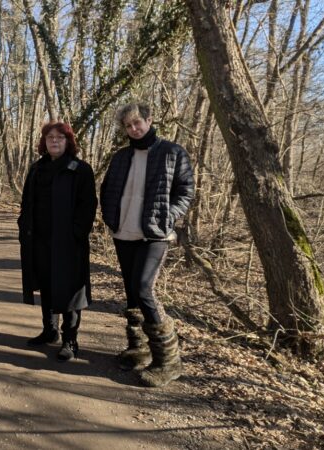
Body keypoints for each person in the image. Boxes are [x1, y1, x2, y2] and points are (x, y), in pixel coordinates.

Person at [100, 102, 195, 387]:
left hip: (155, 234)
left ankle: (169, 361)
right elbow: (107, 189)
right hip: (123, 231)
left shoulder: (172, 152)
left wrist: (169, 216)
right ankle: (138, 350)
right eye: (128, 126)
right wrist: (110, 217)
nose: (133, 129)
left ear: (149, 120)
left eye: (137, 123)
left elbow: (185, 191)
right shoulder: (121, 157)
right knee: (131, 291)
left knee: (144, 288)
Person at [18, 122, 97, 361]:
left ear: (68, 141)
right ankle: (49, 330)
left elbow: (88, 206)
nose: (54, 141)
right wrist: (24, 226)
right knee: (46, 285)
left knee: (71, 290)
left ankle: (70, 340)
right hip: (39, 240)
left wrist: (76, 233)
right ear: (44, 142)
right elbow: (26, 203)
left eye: (60, 138)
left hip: (69, 242)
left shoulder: (80, 169)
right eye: (50, 137)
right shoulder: (37, 169)